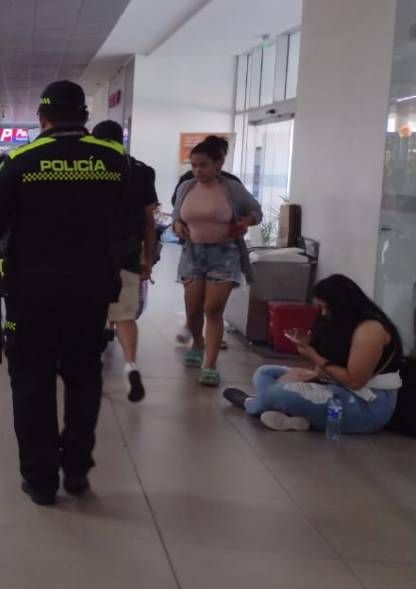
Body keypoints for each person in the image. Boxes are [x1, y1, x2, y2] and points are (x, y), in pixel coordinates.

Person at [0, 80, 134, 506]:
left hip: (31, 290)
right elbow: (129, 224)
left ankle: (40, 480)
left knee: (31, 380)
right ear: (84, 117)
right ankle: (76, 469)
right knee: (83, 375)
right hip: (91, 290)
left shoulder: (21, 160)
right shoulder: (115, 161)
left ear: (42, 118)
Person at [223, 275, 405, 433]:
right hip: (337, 385)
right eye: (321, 308)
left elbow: (354, 381)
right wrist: (313, 372)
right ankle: (297, 416)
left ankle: (253, 403)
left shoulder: (370, 330)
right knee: (265, 372)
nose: (324, 313)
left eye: (327, 308)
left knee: (280, 392)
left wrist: (314, 357)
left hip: (366, 404)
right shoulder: (340, 322)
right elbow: (331, 364)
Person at [173, 135, 262, 387]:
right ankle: (198, 344)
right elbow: (178, 215)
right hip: (192, 253)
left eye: (203, 165)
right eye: (194, 165)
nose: (198, 170)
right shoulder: (186, 187)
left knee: (213, 308)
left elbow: (256, 211)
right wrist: (177, 224)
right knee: (192, 309)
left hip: (224, 255)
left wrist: (246, 221)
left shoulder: (231, 188)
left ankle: (210, 364)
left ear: (218, 164)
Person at [92, 120, 158, 402]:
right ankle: (130, 364)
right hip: (128, 251)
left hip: (90, 251)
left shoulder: (88, 167)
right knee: (126, 316)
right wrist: (149, 257)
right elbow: (149, 222)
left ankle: (91, 370)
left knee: (91, 312)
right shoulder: (141, 171)